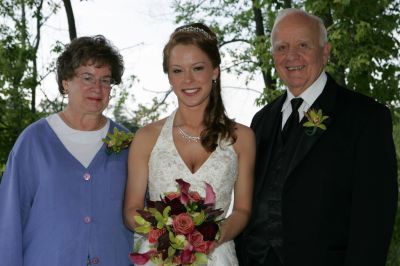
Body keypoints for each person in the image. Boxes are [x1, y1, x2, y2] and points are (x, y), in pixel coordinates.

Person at [235, 8, 398, 266]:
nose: (291, 56)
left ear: (325, 51)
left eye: (303, 45)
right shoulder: (261, 120)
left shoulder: (366, 118)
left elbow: (374, 219)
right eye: (282, 47)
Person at [124, 23, 255, 265]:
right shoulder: (147, 137)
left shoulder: (242, 138)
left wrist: (214, 236)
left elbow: (243, 210)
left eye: (197, 68)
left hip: (217, 257)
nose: (188, 80)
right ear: (169, 76)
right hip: (159, 257)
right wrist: (167, 233)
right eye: (177, 70)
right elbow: (131, 210)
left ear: (215, 71)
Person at [0, 35, 133, 265]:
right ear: (65, 82)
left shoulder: (128, 144)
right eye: (87, 77)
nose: (97, 88)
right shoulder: (34, 141)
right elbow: (8, 222)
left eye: (105, 80)